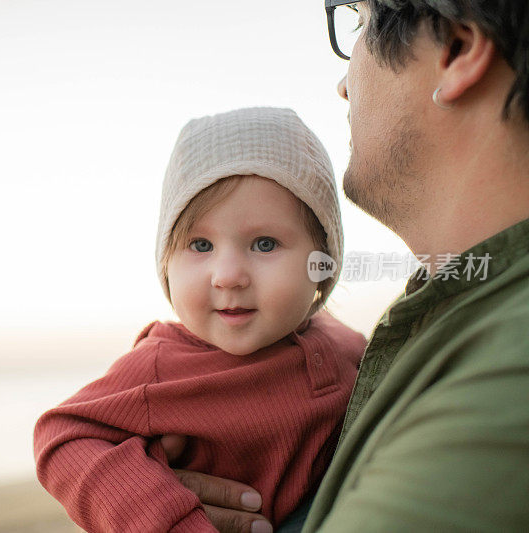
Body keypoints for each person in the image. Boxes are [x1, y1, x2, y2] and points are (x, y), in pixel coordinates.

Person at [161, 1, 529, 531]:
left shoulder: (503, 375)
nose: (343, 84)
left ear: (457, 48)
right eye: (200, 245)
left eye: (359, 21)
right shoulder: (447, 313)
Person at [33, 107, 368, 532]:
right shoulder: (161, 366)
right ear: (167, 263)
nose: (227, 275)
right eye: (200, 244)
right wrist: (165, 517)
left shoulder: (345, 344)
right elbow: (63, 434)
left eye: (265, 244)